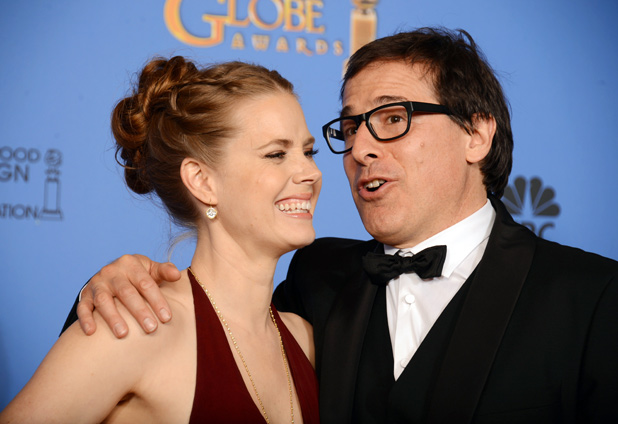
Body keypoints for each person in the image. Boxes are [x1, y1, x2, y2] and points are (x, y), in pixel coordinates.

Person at [64, 28, 618, 423]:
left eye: (393, 118)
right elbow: (208, 338)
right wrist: (111, 288)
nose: (360, 149)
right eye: (351, 128)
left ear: (476, 134)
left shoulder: (594, 299)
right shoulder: (317, 277)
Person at [1, 56, 322, 423]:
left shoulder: (307, 341)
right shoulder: (136, 327)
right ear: (202, 181)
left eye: (308, 152)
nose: (310, 172)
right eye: (276, 154)